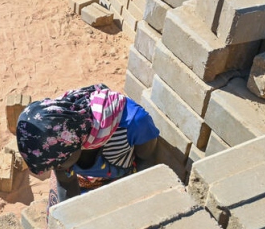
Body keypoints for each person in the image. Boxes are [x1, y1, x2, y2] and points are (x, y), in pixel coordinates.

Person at [15, 84, 160, 213]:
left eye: (58, 164)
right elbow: (66, 183)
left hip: (120, 181)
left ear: (73, 143)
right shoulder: (58, 135)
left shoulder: (134, 122)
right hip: (78, 183)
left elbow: (146, 163)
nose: (57, 168)